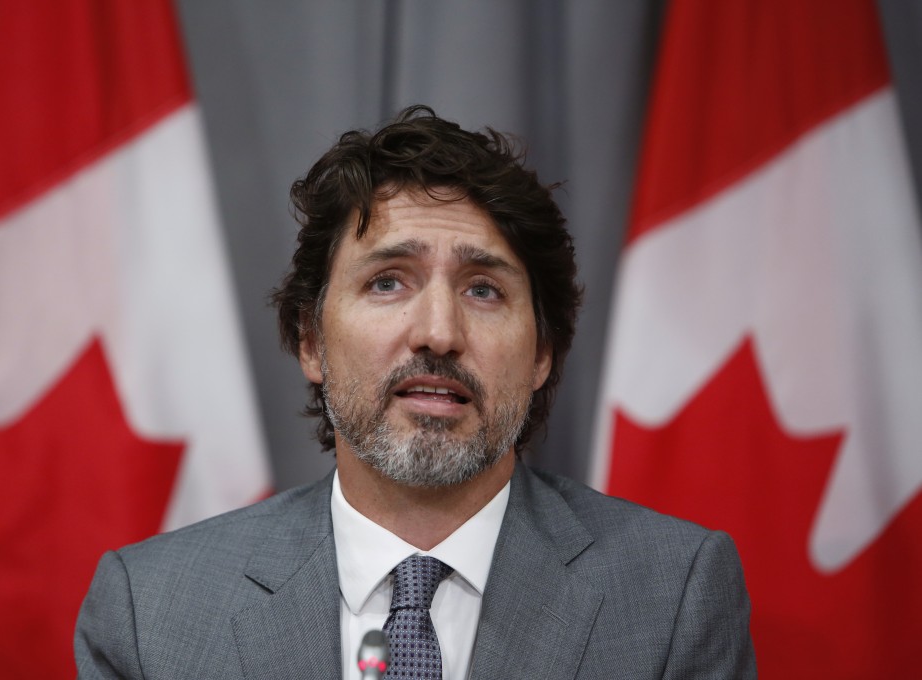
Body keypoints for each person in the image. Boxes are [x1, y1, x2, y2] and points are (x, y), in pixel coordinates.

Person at [74, 105, 756, 679]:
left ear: (543, 353)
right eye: (388, 281)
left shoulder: (673, 595)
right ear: (311, 341)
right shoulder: (151, 613)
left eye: (483, 290)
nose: (437, 333)